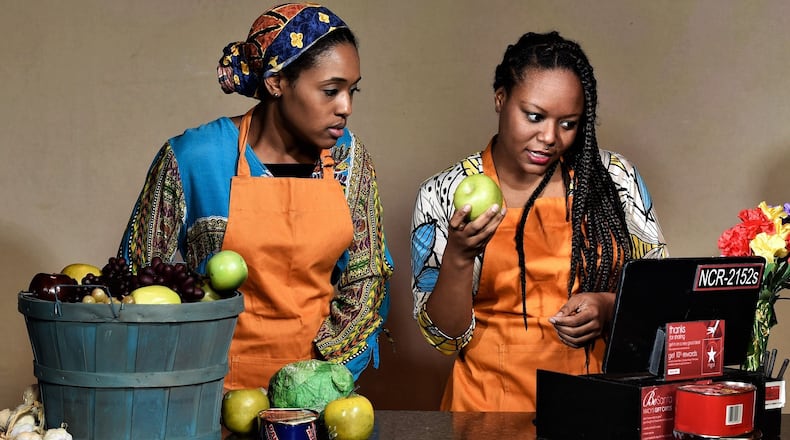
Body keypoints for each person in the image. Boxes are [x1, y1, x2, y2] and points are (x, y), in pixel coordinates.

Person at [119, 3, 394, 389]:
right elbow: (136, 282)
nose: (345, 107)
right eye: (331, 91)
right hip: (208, 388)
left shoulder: (350, 159)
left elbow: (368, 277)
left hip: (317, 391)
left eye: (352, 90)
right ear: (276, 82)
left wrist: (323, 378)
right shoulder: (194, 158)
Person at [410, 31, 668, 411]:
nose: (549, 137)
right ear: (500, 98)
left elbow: (663, 296)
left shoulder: (614, 180)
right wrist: (459, 257)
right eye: (534, 116)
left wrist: (607, 307)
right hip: (486, 412)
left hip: (595, 407)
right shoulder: (444, 193)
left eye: (568, 123)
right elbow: (444, 339)